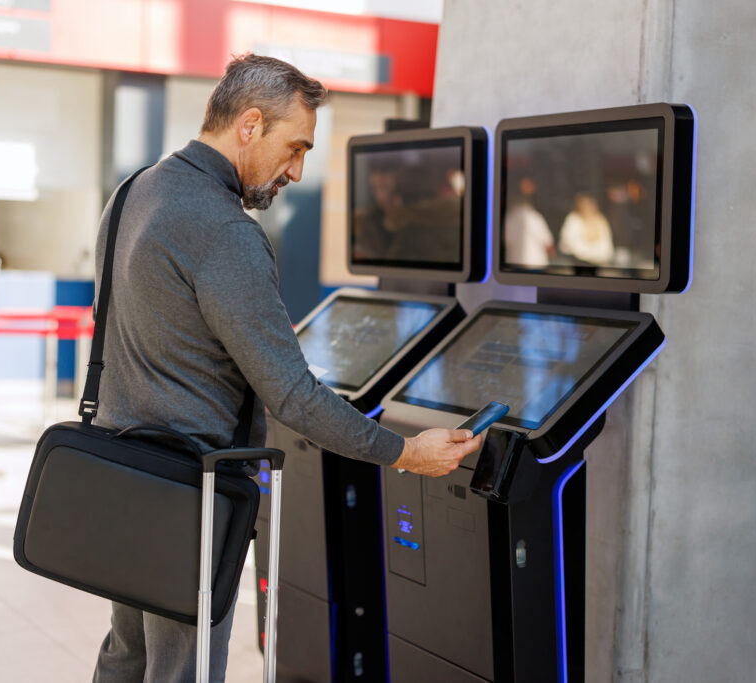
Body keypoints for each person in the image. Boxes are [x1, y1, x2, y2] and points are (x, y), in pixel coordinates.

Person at [91, 54, 483, 683]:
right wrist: (406, 453)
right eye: (295, 147)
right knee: (182, 670)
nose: (297, 171)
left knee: (127, 657)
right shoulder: (225, 231)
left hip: (120, 472)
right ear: (249, 125)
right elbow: (293, 395)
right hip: (192, 494)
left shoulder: (135, 190)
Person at [557, 192, 615, 266]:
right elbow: (569, 243)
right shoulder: (574, 219)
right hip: (578, 263)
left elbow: (606, 247)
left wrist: (597, 256)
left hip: (598, 263)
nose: (587, 206)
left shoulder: (600, 219)